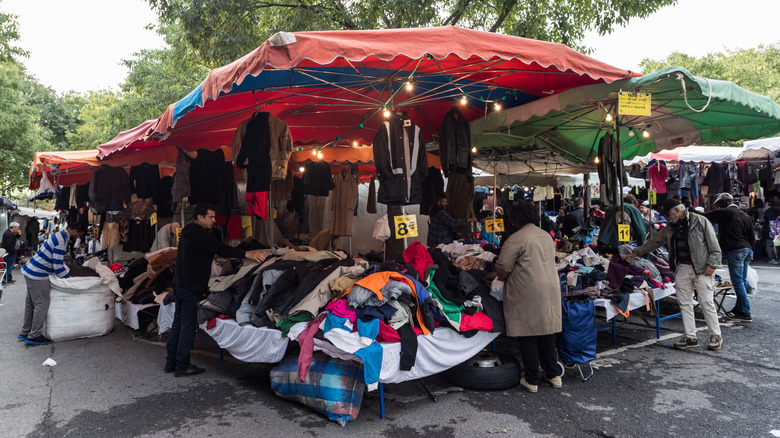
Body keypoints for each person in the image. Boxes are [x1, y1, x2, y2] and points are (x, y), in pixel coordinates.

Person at [165, 203, 266, 377]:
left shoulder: (189, 232)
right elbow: (220, 248)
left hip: (181, 284)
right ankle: (182, 365)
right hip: (190, 287)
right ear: (200, 217)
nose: (214, 220)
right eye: (210, 217)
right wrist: (248, 254)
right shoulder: (199, 234)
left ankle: (171, 362)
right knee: (188, 326)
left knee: (178, 325)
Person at [624, 198, 723, 351]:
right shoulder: (670, 227)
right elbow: (655, 242)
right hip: (681, 268)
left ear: (678, 210)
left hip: (702, 268)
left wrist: (713, 264)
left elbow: (714, 244)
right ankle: (690, 337)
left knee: (706, 303)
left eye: (669, 213)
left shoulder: (700, 221)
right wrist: (636, 252)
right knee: (684, 303)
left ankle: (715, 336)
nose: (668, 217)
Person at [495, 200, 562, 393]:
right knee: (547, 332)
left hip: (527, 289)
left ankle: (532, 379)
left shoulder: (516, 238)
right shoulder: (546, 236)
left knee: (528, 334)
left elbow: (503, 267)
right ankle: (553, 374)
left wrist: (497, 274)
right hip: (549, 288)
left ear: (515, 219)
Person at [18, 222, 86, 345]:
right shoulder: (61, 240)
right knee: (42, 304)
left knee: (31, 303)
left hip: (30, 270)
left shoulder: (59, 235)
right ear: (74, 231)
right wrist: (68, 279)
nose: (77, 236)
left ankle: (25, 332)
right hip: (38, 274)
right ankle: (34, 336)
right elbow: (57, 265)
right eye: (78, 234)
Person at [705, 193, 755, 322]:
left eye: (719, 204)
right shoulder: (745, 215)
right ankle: (740, 308)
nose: (718, 206)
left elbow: (705, 217)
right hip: (747, 249)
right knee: (741, 281)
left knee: (738, 281)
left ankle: (745, 311)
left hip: (736, 250)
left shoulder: (726, 212)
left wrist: (690, 209)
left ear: (724, 202)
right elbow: (752, 237)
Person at [763, 199, 780, 264]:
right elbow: (770, 219)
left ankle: (779, 258)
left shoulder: (778, 211)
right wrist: (778, 218)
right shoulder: (768, 211)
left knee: (778, 244)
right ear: (775, 206)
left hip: (777, 231)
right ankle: (771, 259)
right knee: (769, 245)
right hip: (769, 230)